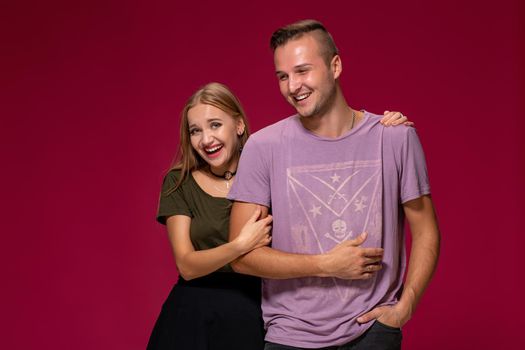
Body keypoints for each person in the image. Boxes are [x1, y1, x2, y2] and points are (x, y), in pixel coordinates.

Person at [147, 82, 411, 350]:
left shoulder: (271, 165)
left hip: (253, 311)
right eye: (195, 131)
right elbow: (187, 266)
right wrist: (240, 245)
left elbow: (329, 149)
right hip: (193, 315)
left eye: (215, 125)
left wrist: (382, 127)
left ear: (238, 126)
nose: (206, 139)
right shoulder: (179, 182)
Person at [228, 20, 440, 350]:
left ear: (335, 65)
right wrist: (326, 265)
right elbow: (242, 256)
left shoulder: (395, 137)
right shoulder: (262, 147)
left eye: (302, 71)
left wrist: (405, 306)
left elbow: (425, 229)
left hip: (372, 329)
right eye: (282, 76)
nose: (292, 86)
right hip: (291, 333)